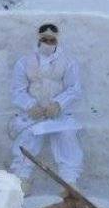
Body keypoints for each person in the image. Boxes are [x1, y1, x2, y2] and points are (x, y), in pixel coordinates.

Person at [8, 22, 85, 194]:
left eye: (51, 40)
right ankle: (22, 179)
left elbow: (74, 89)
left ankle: (69, 183)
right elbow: (17, 91)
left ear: (57, 41)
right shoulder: (24, 62)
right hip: (34, 113)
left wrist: (59, 104)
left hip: (58, 114)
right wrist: (30, 105)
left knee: (67, 137)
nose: (48, 43)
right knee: (27, 138)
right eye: (45, 39)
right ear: (38, 39)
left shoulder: (69, 62)